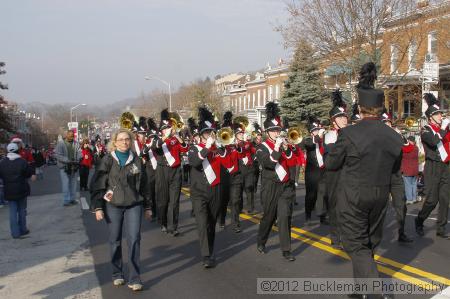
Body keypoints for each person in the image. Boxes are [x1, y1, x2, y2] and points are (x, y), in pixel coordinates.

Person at [325, 62, 403, 296]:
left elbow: (331, 164)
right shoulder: (394, 136)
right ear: (380, 108)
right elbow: (395, 172)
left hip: (353, 197)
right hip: (380, 197)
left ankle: (375, 292)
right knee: (368, 244)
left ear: (360, 107)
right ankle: (360, 291)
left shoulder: (348, 133)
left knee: (356, 246)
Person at [90, 129, 151, 292]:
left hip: (134, 204)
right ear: (115, 142)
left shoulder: (137, 160)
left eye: (127, 139)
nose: (125, 142)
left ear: (130, 142)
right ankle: (117, 273)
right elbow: (98, 184)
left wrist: (148, 206)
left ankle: (135, 278)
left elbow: (144, 185)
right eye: (121, 139)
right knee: (115, 240)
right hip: (113, 205)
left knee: (134, 239)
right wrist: (97, 207)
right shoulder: (107, 160)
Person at [256, 102, 295, 261]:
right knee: (269, 216)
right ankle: (261, 240)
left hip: (284, 186)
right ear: (267, 132)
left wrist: (287, 149)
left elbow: (292, 162)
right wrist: (278, 148)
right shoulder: (262, 147)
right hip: (270, 186)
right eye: (273, 130)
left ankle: (286, 250)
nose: (276, 132)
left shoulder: (283, 144)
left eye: (278, 130)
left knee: (284, 216)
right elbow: (269, 163)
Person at [188, 106, 226, 268]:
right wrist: (206, 147)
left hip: (215, 189)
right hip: (199, 192)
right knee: (202, 223)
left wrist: (221, 148)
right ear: (200, 134)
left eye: (211, 132)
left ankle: (210, 249)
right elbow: (195, 162)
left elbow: (229, 164)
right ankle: (206, 255)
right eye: (206, 133)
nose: (209, 135)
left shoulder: (217, 148)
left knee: (211, 222)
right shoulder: (194, 149)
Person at [415, 93, 450, 239]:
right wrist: (443, 128)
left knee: (445, 199)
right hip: (433, 167)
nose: (441, 116)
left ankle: (441, 228)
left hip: (446, 167)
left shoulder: (445, 129)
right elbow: (434, 142)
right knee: (431, 200)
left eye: (441, 114)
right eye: (438, 114)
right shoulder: (426, 130)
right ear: (431, 117)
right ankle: (419, 220)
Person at [151, 109, 189, 236]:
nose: (168, 129)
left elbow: (185, 149)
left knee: (175, 200)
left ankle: (174, 226)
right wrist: (165, 136)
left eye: (169, 127)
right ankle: (163, 222)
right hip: (162, 171)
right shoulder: (157, 139)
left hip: (175, 171)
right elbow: (155, 147)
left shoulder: (175, 139)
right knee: (163, 200)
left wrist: (178, 137)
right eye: (166, 128)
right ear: (161, 130)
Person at [320, 89, 348, 248]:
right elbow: (333, 158)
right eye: (340, 117)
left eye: (344, 116)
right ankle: (336, 237)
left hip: (349, 174)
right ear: (333, 120)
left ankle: (347, 236)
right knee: (336, 208)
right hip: (335, 176)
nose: (344, 119)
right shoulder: (330, 135)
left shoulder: (350, 133)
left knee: (348, 207)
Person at [381, 109, 413, 243]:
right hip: (381, 176)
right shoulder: (377, 138)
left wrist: (401, 136)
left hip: (395, 175)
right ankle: (373, 234)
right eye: (385, 123)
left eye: (389, 123)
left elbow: (408, 148)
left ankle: (401, 232)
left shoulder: (396, 136)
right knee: (379, 206)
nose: (387, 125)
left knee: (401, 204)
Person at [0, 143, 35, 239]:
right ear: (17, 150)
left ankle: (15, 233)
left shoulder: (2, 163)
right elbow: (28, 173)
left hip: (9, 190)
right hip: (21, 188)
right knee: (22, 210)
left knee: (12, 212)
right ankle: (23, 229)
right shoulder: (22, 162)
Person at [300, 117, 326, 225]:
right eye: (315, 130)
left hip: (323, 171)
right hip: (312, 172)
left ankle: (322, 217)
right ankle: (308, 216)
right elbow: (310, 144)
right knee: (311, 195)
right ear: (311, 132)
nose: (317, 131)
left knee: (323, 194)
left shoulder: (323, 140)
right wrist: (318, 136)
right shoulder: (308, 140)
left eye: (318, 129)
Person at [55, 130, 82, 206]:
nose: (72, 137)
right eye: (70, 136)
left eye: (73, 136)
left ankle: (72, 199)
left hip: (74, 165)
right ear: (66, 135)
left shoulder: (76, 143)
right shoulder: (61, 144)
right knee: (66, 184)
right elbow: (57, 155)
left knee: (73, 183)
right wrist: (67, 160)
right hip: (64, 166)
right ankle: (66, 200)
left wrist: (78, 158)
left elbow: (79, 152)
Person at [401, 136, 419, 205]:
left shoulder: (405, 149)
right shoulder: (416, 148)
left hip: (407, 169)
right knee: (414, 185)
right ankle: (414, 198)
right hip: (415, 170)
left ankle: (409, 199)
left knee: (408, 185)